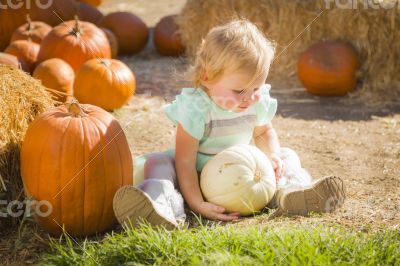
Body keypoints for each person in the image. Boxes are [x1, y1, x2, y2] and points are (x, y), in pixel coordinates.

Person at [113, 19, 346, 229]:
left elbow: (265, 131)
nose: (250, 97)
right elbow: (185, 161)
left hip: (242, 174)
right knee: (159, 162)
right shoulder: (197, 108)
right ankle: (163, 207)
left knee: (287, 155)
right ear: (207, 77)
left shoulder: (256, 101)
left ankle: (293, 191)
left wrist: (272, 156)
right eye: (240, 90)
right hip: (196, 175)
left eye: (256, 88)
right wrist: (198, 202)